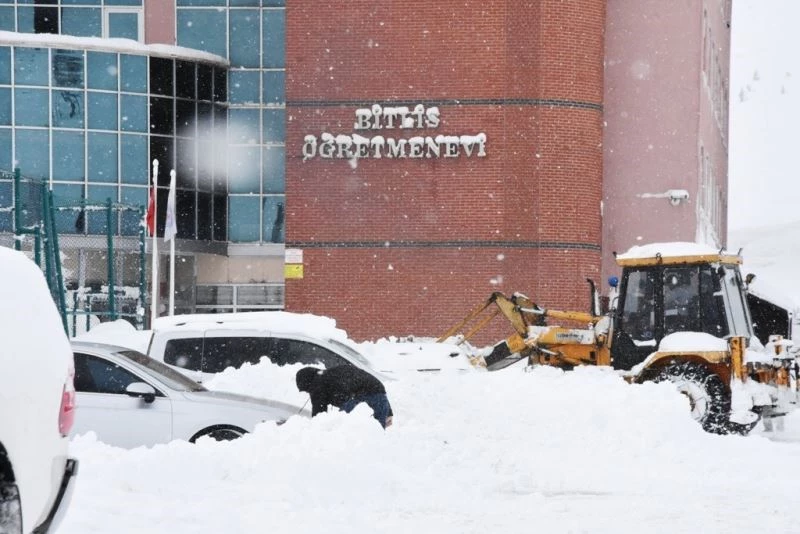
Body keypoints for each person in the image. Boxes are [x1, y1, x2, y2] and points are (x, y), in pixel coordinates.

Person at [295, 365, 393, 428]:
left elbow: (319, 413)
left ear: (307, 383)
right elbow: (373, 384)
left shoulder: (318, 383)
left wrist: (315, 430)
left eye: (306, 390)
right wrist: (388, 411)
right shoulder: (330, 373)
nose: (309, 392)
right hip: (379, 393)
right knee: (377, 433)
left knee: (342, 424)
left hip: (360, 395)